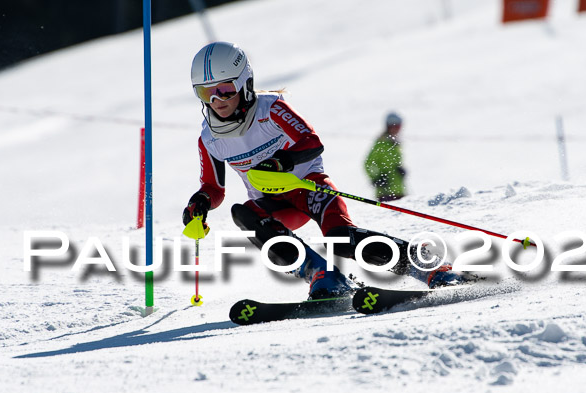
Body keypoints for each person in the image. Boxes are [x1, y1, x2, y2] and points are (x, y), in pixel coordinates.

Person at [182, 42, 468, 299]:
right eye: (207, 92)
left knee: (340, 238)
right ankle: (322, 274)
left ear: (245, 84)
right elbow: (214, 188)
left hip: (310, 188)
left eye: (225, 90)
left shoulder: (271, 110)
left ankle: (430, 266)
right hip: (274, 203)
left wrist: (280, 162)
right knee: (243, 213)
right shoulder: (210, 139)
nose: (217, 100)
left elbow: (312, 143)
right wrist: (201, 202)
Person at [364, 112, 407, 202]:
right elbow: (368, 163)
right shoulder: (381, 143)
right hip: (385, 191)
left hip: (399, 189)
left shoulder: (395, 143)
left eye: (398, 126)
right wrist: (376, 178)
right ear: (388, 127)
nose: (396, 129)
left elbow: (394, 162)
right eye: (393, 126)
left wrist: (400, 170)